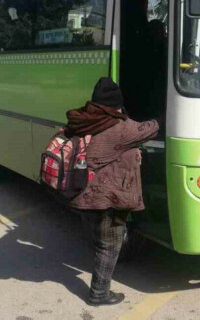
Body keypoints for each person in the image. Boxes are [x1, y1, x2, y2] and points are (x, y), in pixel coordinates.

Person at [65, 77, 159, 306]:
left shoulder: (82, 120)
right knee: (110, 244)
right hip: (106, 197)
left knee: (99, 241)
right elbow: (151, 128)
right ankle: (99, 293)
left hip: (82, 193)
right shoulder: (120, 127)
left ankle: (99, 287)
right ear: (116, 105)